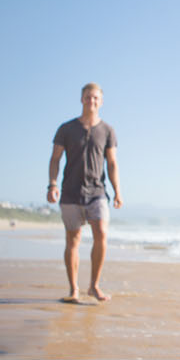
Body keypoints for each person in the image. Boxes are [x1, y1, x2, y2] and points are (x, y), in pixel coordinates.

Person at [48, 82, 122, 303]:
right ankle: (73, 290)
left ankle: (94, 286)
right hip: (70, 192)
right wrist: (52, 184)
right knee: (73, 240)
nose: (92, 101)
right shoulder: (66, 128)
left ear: (101, 101)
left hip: (97, 192)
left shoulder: (107, 130)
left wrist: (117, 191)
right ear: (82, 99)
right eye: (88, 97)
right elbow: (55, 159)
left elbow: (112, 164)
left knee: (101, 233)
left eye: (96, 98)